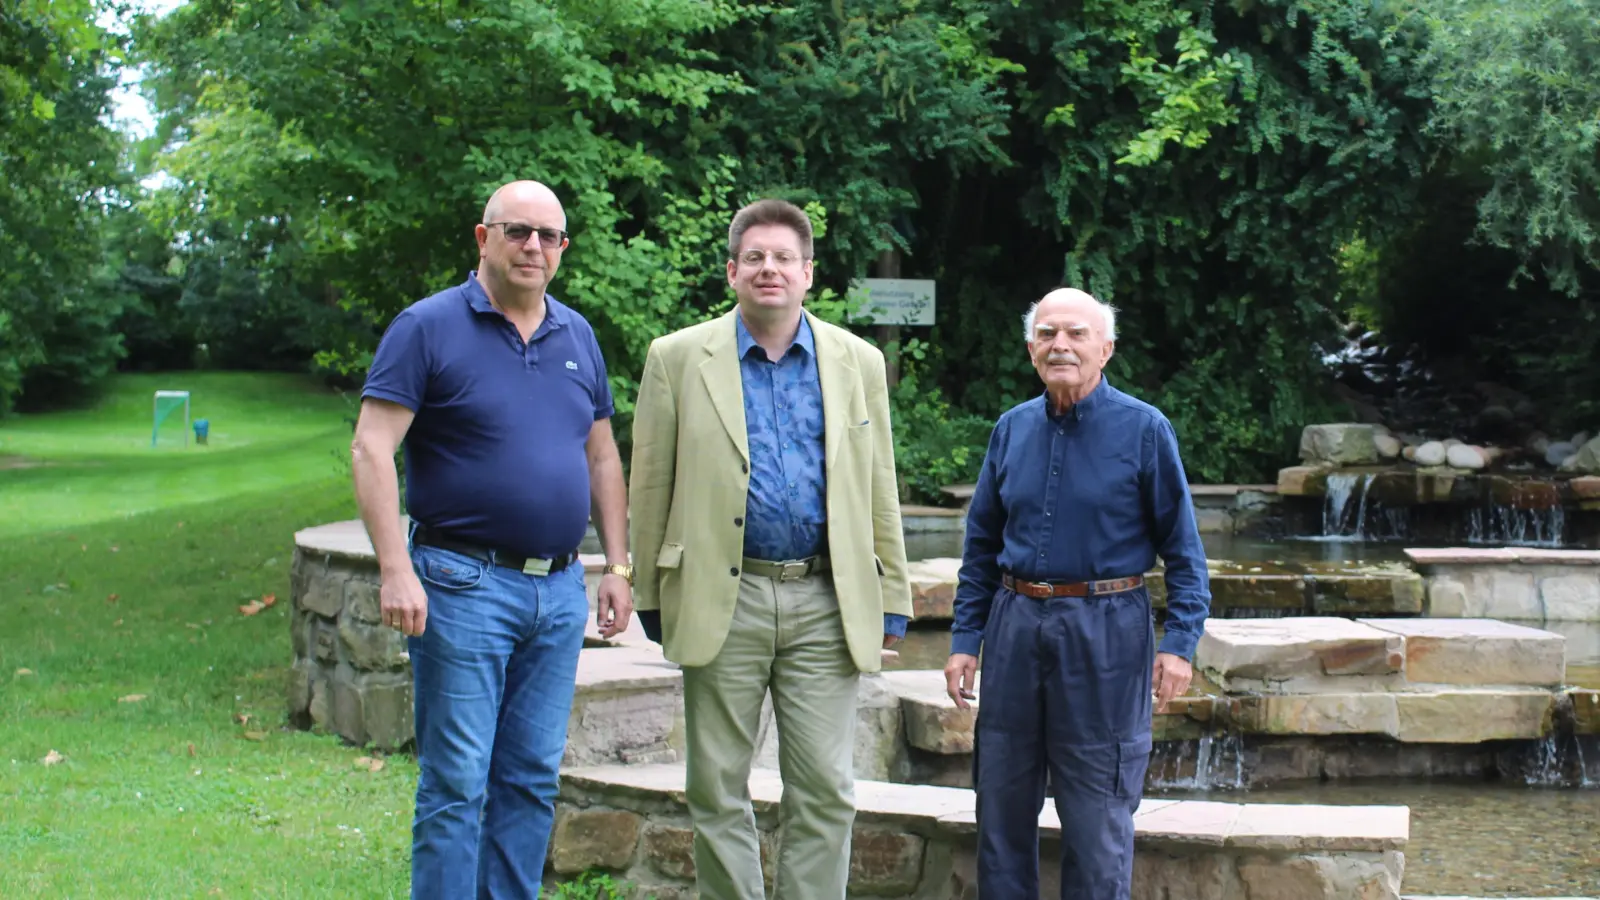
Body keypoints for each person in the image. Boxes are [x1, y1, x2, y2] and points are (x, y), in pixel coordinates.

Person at [350, 180, 635, 899]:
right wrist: (394, 568)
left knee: (532, 778)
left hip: (559, 591)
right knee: (456, 783)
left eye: (550, 237)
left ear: (563, 250)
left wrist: (618, 564)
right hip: (459, 583)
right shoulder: (427, 327)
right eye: (518, 231)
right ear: (485, 237)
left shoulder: (579, 336)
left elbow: (602, 456)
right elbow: (371, 448)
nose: (534, 246)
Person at [628, 198, 914, 900]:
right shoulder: (676, 359)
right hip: (725, 596)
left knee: (825, 790)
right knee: (717, 788)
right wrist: (648, 595)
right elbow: (651, 481)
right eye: (754, 257)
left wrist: (894, 598)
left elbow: (879, 485)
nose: (769, 269)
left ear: (808, 272)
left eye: (784, 257)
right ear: (732, 271)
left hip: (825, 597)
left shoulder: (859, 362)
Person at [943, 287, 1211, 899]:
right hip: (1013, 627)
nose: (1059, 343)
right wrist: (965, 639)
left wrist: (1180, 644)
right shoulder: (1010, 430)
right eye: (1046, 333)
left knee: (1098, 814)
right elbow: (981, 545)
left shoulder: (1145, 430)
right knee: (1001, 804)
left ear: (1106, 348)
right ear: (1032, 348)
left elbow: (1185, 552)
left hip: (1107, 632)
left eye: (1076, 333)